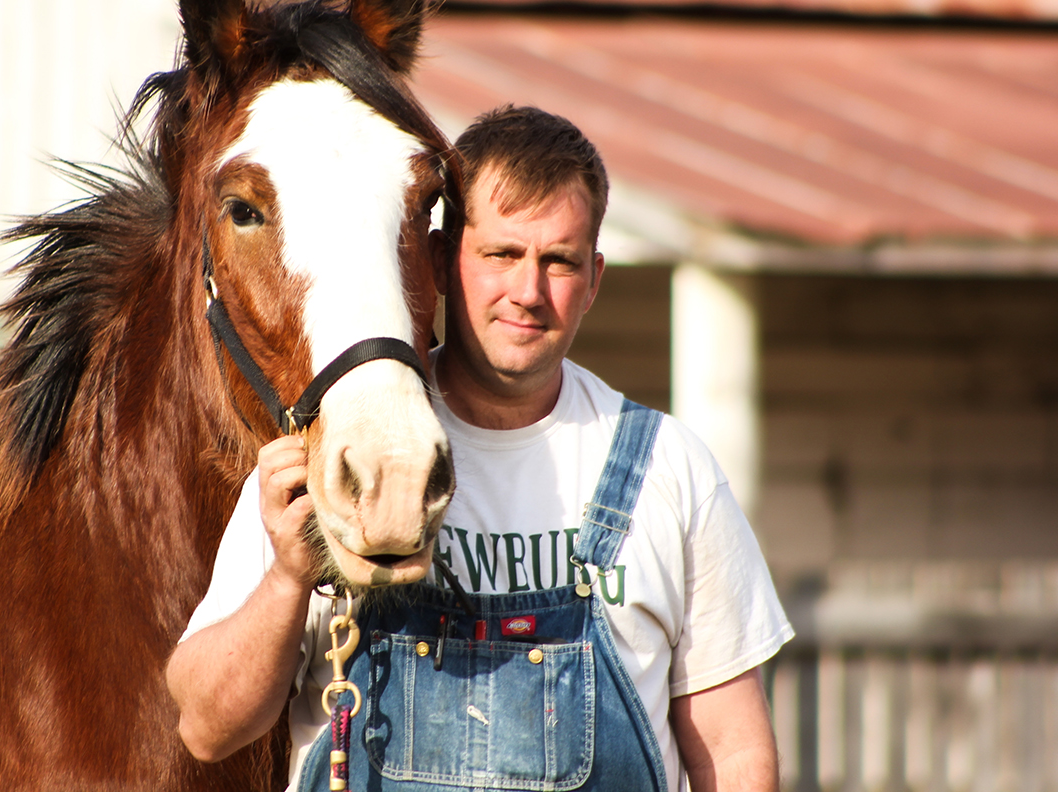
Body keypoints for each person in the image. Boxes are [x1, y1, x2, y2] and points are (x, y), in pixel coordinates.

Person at [167, 106, 793, 792]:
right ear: (438, 260)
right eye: (501, 255)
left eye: (559, 261)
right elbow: (204, 726)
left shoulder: (667, 470)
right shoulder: (342, 449)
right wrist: (288, 578)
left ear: (594, 282)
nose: (528, 293)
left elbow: (732, 757)